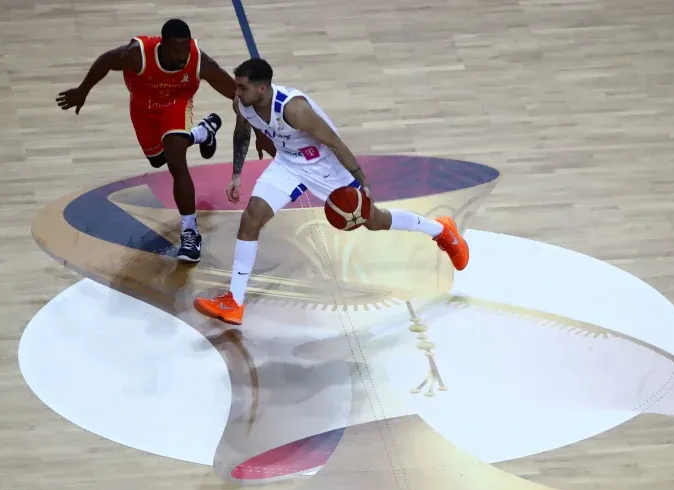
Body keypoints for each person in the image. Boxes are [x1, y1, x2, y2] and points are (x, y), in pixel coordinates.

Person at [193, 57, 469, 325]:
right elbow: (243, 131)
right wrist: (237, 174)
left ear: (262, 88)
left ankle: (441, 230)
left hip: (325, 165)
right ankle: (234, 302)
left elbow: (335, 143)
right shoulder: (242, 104)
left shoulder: (295, 109)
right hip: (288, 164)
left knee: (374, 220)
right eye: (237, 86)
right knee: (251, 218)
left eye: (242, 87)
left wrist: (362, 180)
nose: (237, 92)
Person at [56, 19, 275, 262]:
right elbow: (106, 61)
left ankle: (190, 233)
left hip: (175, 105)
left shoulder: (199, 61)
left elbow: (238, 96)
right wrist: (82, 91)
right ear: (163, 45)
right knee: (158, 159)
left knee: (176, 160)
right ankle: (203, 132)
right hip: (143, 108)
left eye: (185, 49)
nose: (182, 56)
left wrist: (261, 131)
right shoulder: (137, 55)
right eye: (176, 51)